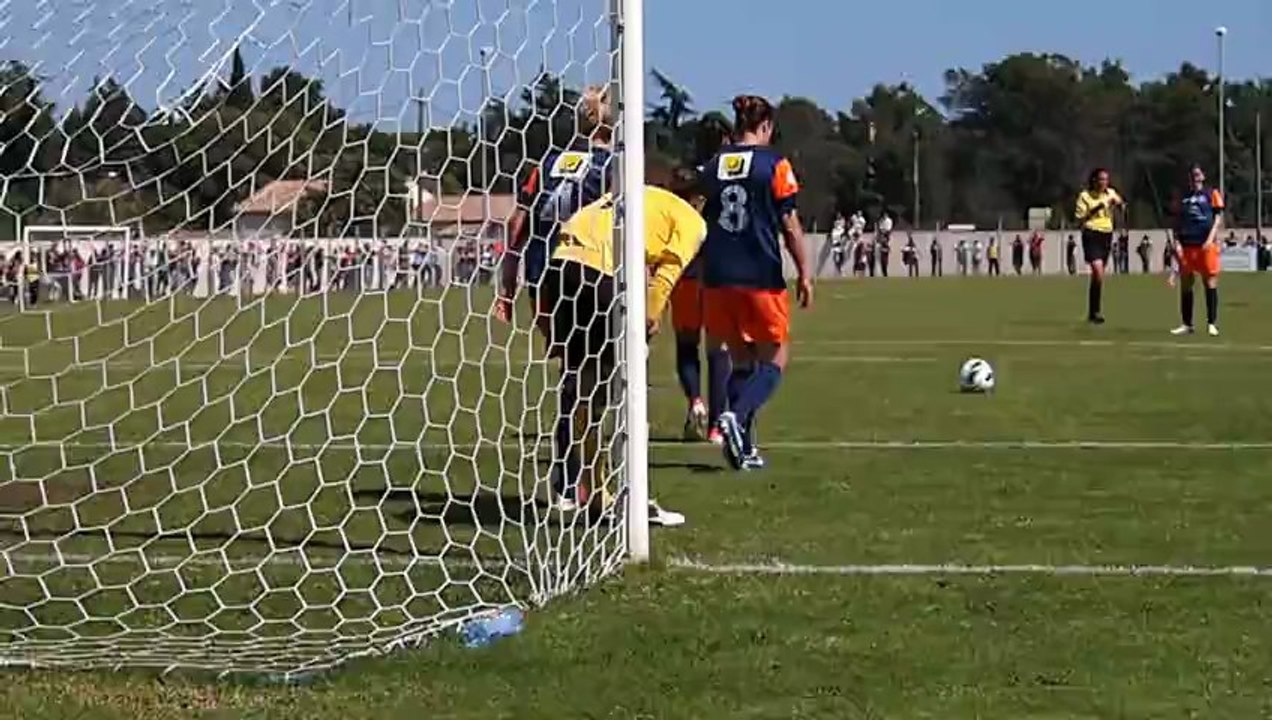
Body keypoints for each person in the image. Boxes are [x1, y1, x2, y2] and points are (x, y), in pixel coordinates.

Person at [540, 156, 705, 525]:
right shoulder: (691, 219)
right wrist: (649, 318)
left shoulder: (636, 197)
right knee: (628, 391)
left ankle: (595, 493)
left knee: (585, 393)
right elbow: (668, 271)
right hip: (597, 275)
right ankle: (635, 498)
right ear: (700, 200)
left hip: (560, 267)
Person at [699, 94, 812, 471]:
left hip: (717, 276)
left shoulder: (714, 165)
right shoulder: (774, 164)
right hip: (759, 273)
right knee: (776, 357)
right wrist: (805, 271)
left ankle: (743, 449)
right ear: (765, 127)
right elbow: (790, 224)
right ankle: (734, 415)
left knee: (742, 361)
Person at [497, 86, 614, 330]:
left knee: (560, 346)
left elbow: (515, 224)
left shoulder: (547, 164)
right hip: (589, 271)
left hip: (542, 271)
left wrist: (507, 289)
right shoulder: (614, 167)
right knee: (598, 347)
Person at [1169, 165, 1224, 336]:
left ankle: (1212, 323)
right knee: (1186, 284)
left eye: (1198, 174)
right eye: (1192, 175)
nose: (1195, 178)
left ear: (1203, 176)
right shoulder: (1182, 197)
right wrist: (1176, 241)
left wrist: (1210, 239)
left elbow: (1218, 218)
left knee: (1210, 282)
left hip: (1206, 245)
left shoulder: (1211, 193)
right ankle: (1187, 324)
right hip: (1187, 244)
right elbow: (1176, 221)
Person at [1074, 168, 1123, 324]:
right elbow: (1080, 219)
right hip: (1091, 233)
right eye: (1101, 179)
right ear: (1094, 180)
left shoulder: (1110, 193)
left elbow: (1121, 205)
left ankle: (1092, 311)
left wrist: (1119, 205)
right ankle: (1096, 311)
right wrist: (1097, 208)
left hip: (1106, 234)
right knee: (1098, 270)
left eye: (1106, 179)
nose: (1104, 182)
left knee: (1098, 275)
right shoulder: (1085, 196)